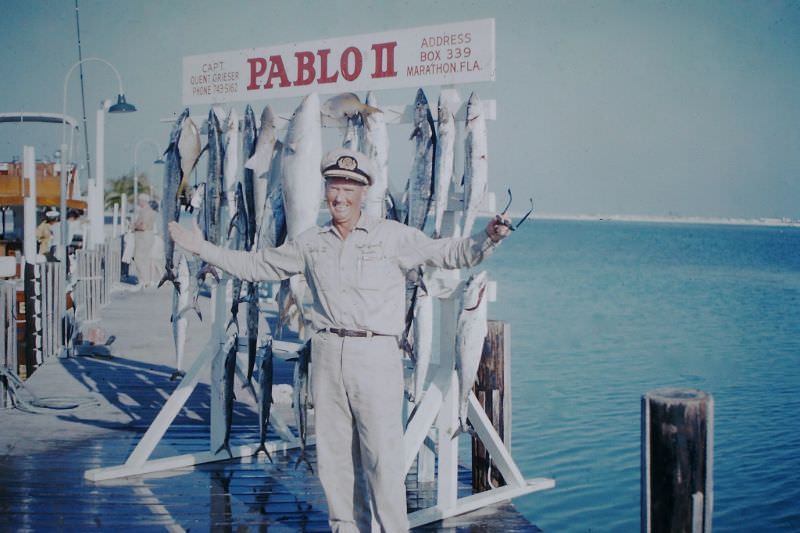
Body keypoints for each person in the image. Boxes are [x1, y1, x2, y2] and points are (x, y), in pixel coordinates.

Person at [169, 148, 511, 533]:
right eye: (334, 186)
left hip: (376, 355)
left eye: (349, 187)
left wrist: (488, 237)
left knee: (383, 462)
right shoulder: (310, 242)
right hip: (327, 354)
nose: (340, 196)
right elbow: (258, 264)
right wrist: (202, 249)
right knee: (334, 462)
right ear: (325, 190)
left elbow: (450, 253)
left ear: (364, 191)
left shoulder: (393, 236)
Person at [131, 193, 160, 287]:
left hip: (143, 237)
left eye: (139, 200)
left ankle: (144, 280)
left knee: (138, 258)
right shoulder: (151, 211)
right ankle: (147, 280)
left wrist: (133, 227)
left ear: (143, 201)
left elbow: (143, 227)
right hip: (149, 236)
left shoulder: (144, 211)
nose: (138, 202)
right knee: (146, 259)